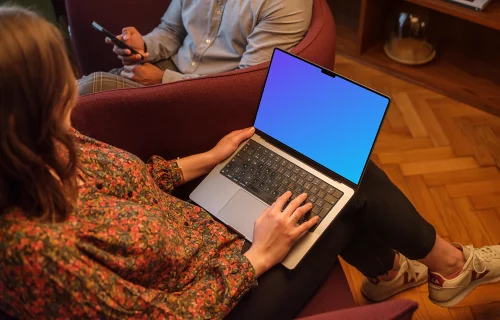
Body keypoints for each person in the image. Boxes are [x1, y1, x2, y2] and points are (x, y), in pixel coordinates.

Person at [1, 7, 499, 320]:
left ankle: (397, 273)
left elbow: (134, 184)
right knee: (349, 184)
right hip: (222, 293)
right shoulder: (34, 253)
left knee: (333, 177)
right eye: (61, 74)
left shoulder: (49, 147)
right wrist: (257, 258)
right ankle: (452, 267)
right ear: (31, 103)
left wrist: (207, 159)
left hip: (202, 229)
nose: (75, 81)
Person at [78, 0, 313, 95]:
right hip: (168, 70)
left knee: (87, 91)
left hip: (211, 97)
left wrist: (163, 80)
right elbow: (171, 31)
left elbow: (246, 86)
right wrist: (143, 45)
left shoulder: (284, 4)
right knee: (82, 92)